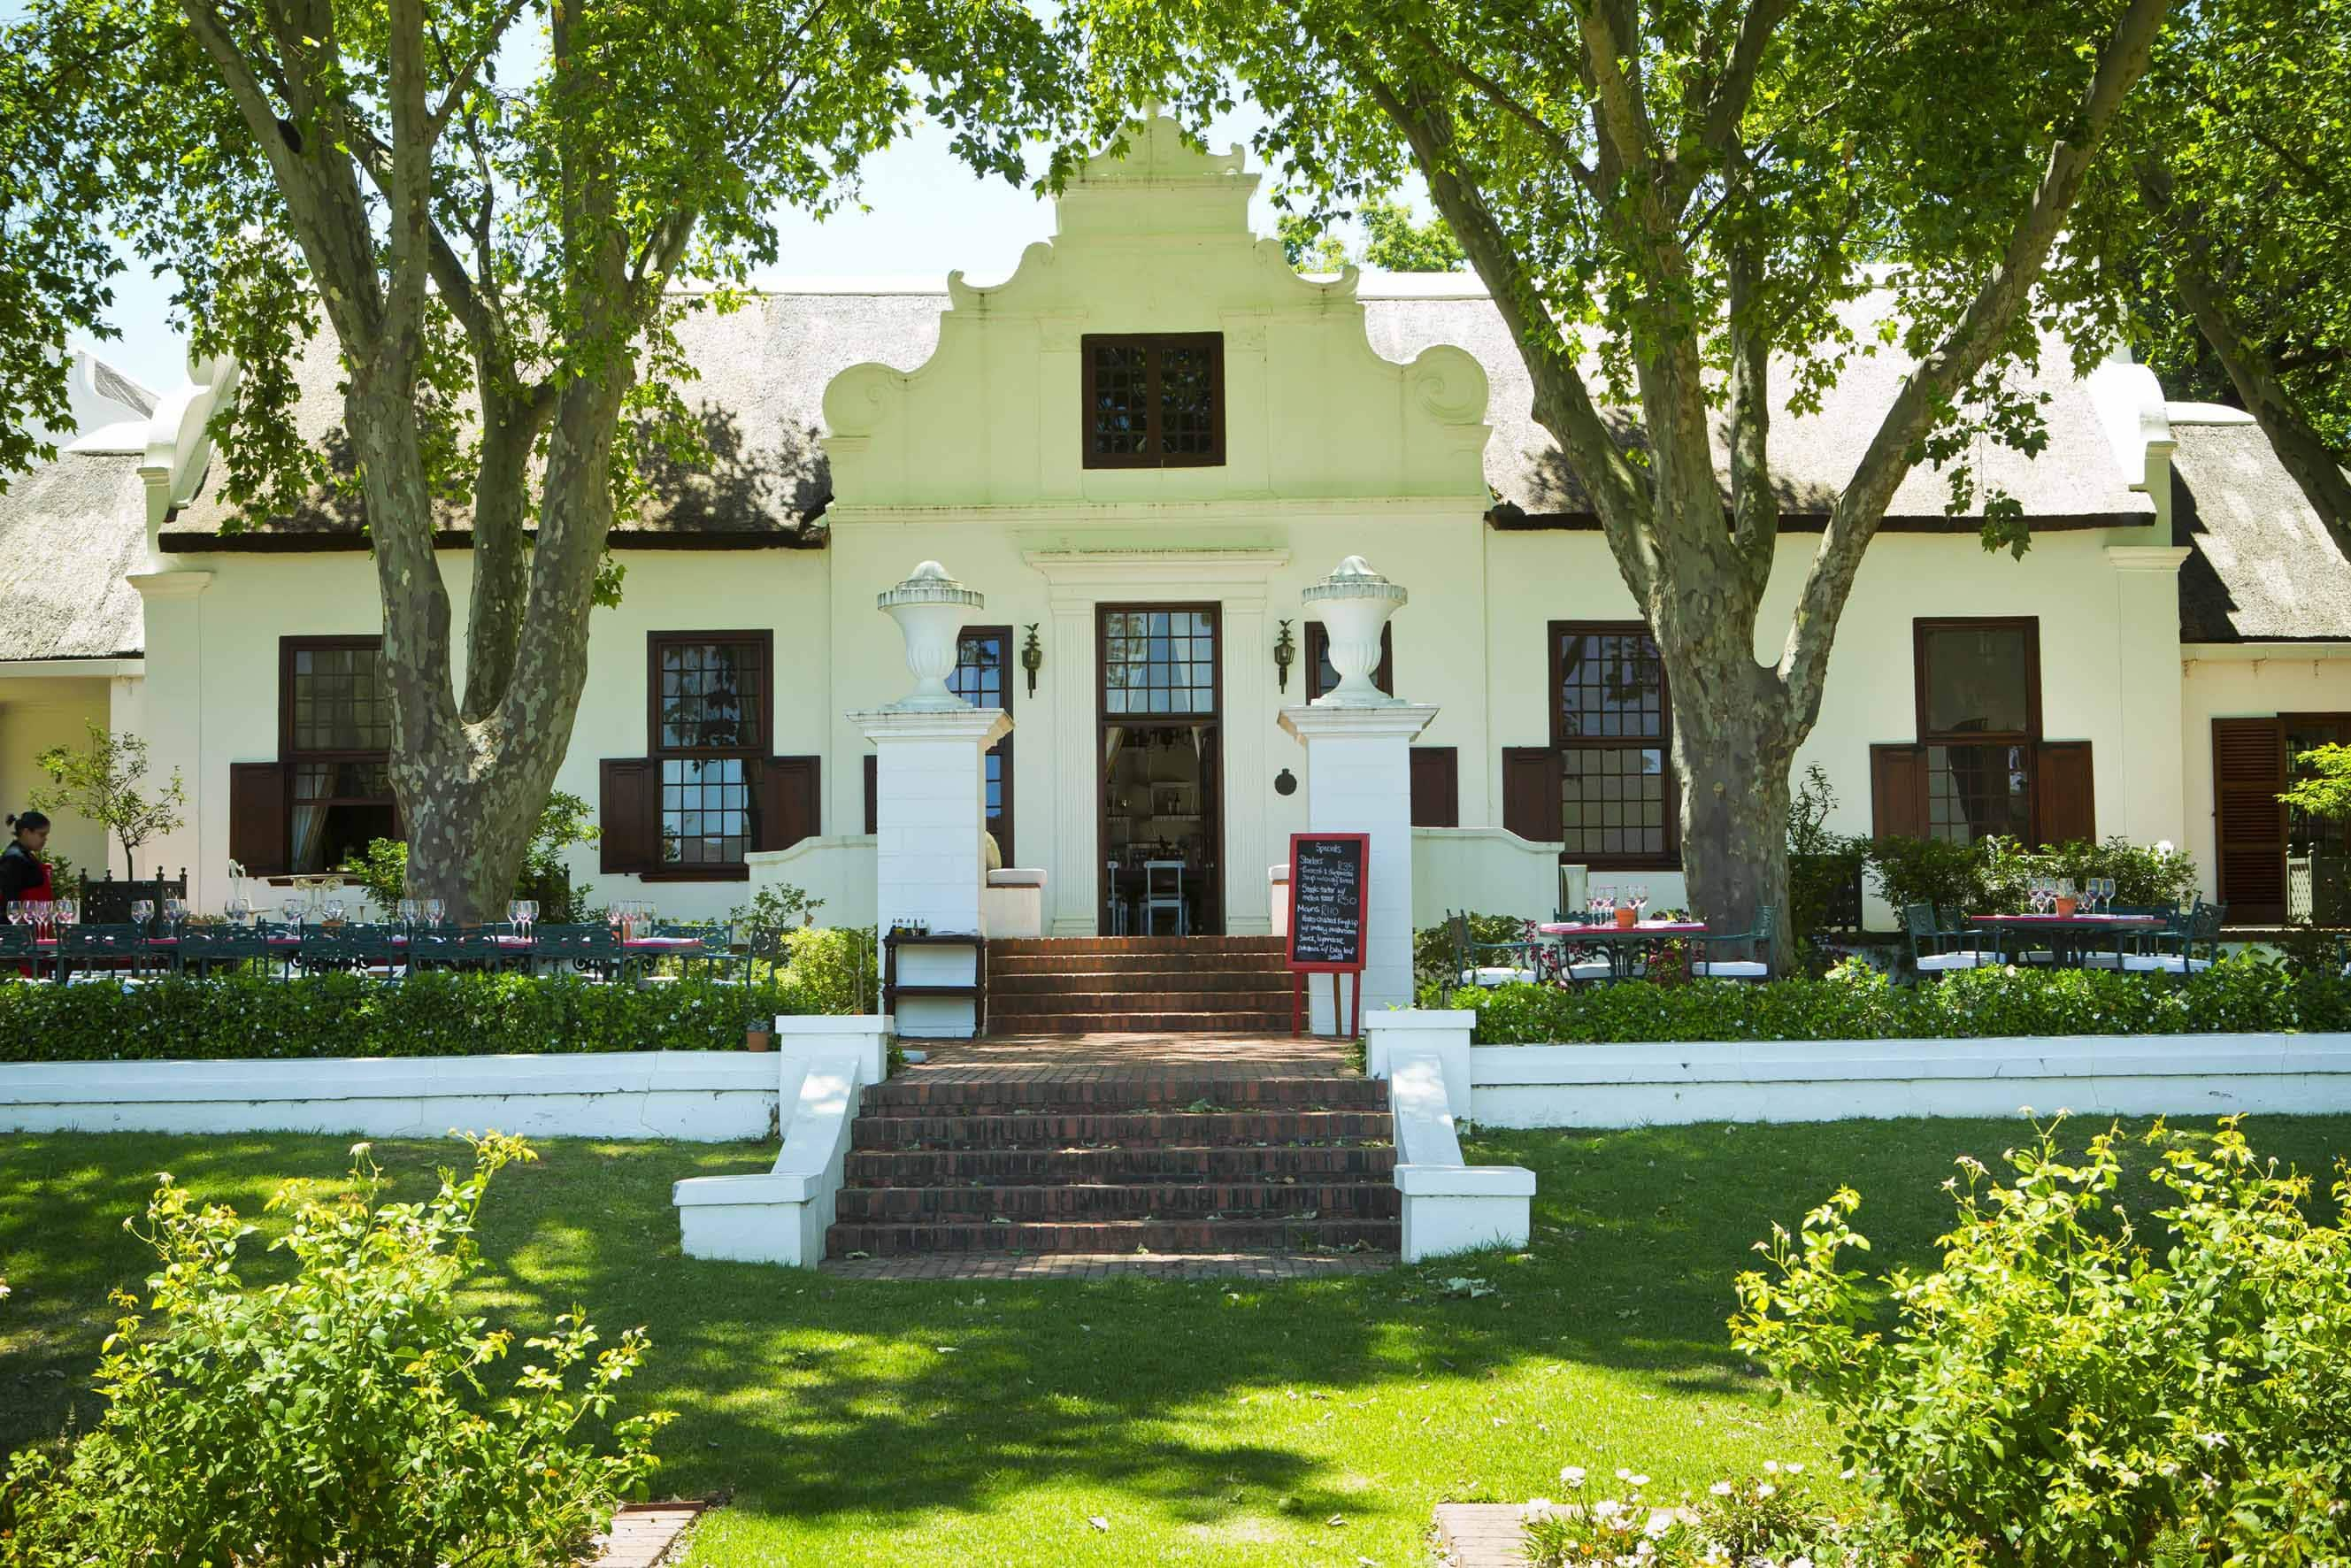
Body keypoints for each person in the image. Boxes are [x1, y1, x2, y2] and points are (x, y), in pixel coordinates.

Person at [1, 811, 55, 909]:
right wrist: (20, 923)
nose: (45, 839)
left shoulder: (25, 855)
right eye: (42, 835)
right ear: (26, 832)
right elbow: (10, 902)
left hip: (37, 921)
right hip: (24, 923)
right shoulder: (13, 858)